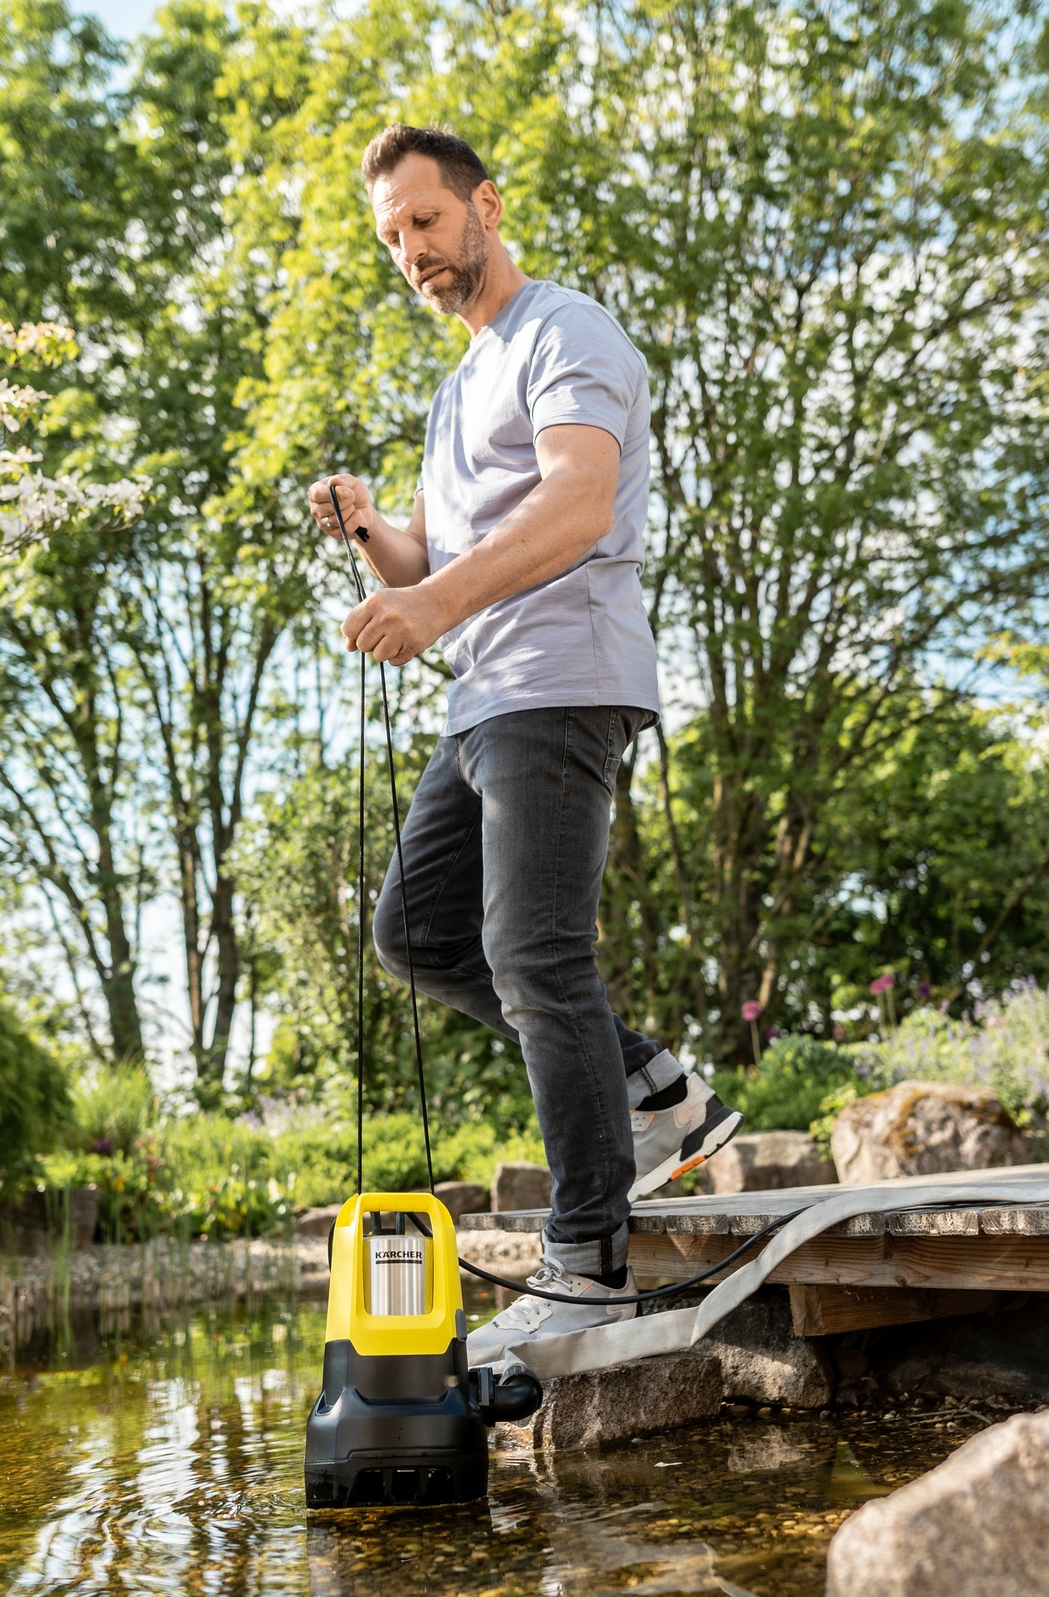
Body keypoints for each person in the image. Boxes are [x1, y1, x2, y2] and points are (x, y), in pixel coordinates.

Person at [309, 124, 739, 1364]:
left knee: (532, 951)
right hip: (484, 695)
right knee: (416, 933)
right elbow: (430, 561)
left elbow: (578, 502)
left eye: (426, 222)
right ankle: (655, 1090)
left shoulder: (566, 331)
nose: (412, 252)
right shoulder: (456, 389)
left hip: (562, 679)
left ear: (484, 206)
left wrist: (435, 605)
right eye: (391, 235)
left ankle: (587, 1262)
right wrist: (372, 530)